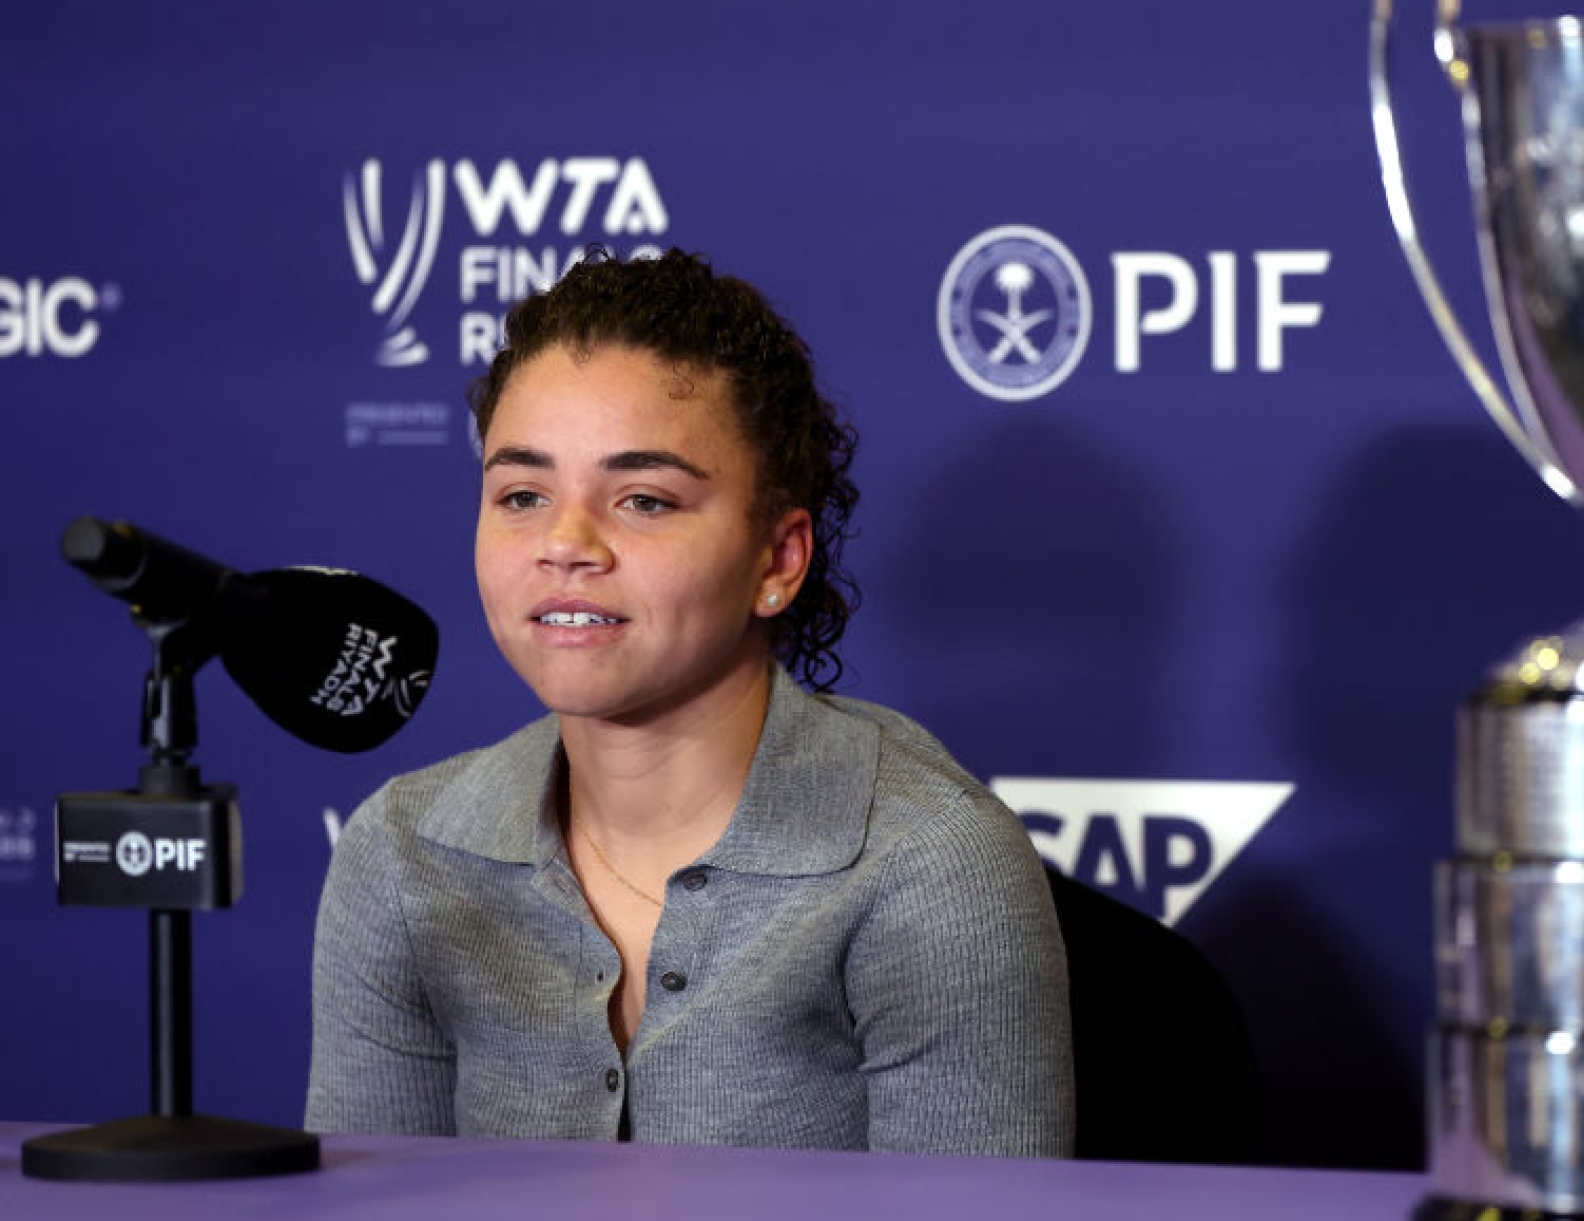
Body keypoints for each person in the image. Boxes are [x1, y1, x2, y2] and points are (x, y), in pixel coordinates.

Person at [305, 248, 1075, 1156]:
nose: (566, 543)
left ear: (778, 561)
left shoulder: (927, 861)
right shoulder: (401, 851)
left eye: (643, 499)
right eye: (522, 493)